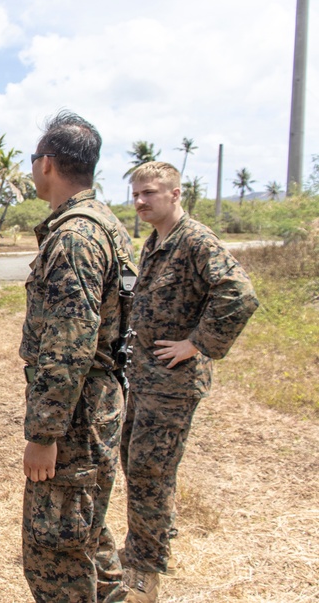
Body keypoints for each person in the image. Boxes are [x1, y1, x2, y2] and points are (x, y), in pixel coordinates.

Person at [120, 162, 258, 602]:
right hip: (146, 377)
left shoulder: (195, 240)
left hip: (173, 383)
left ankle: (145, 571)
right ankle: (146, 541)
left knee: (150, 470)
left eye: (151, 193)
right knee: (135, 460)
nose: (141, 201)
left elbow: (239, 293)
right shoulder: (154, 243)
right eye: (137, 194)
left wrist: (195, 343)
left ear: (176, 193)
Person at [20, 110, 135, 603]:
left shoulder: (74, 237)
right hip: (98, 405)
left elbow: (70, 347)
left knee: (56, 556)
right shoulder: (106, 223)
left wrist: (45, 436)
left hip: (76, 420)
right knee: (90, 536)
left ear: (47, 163)